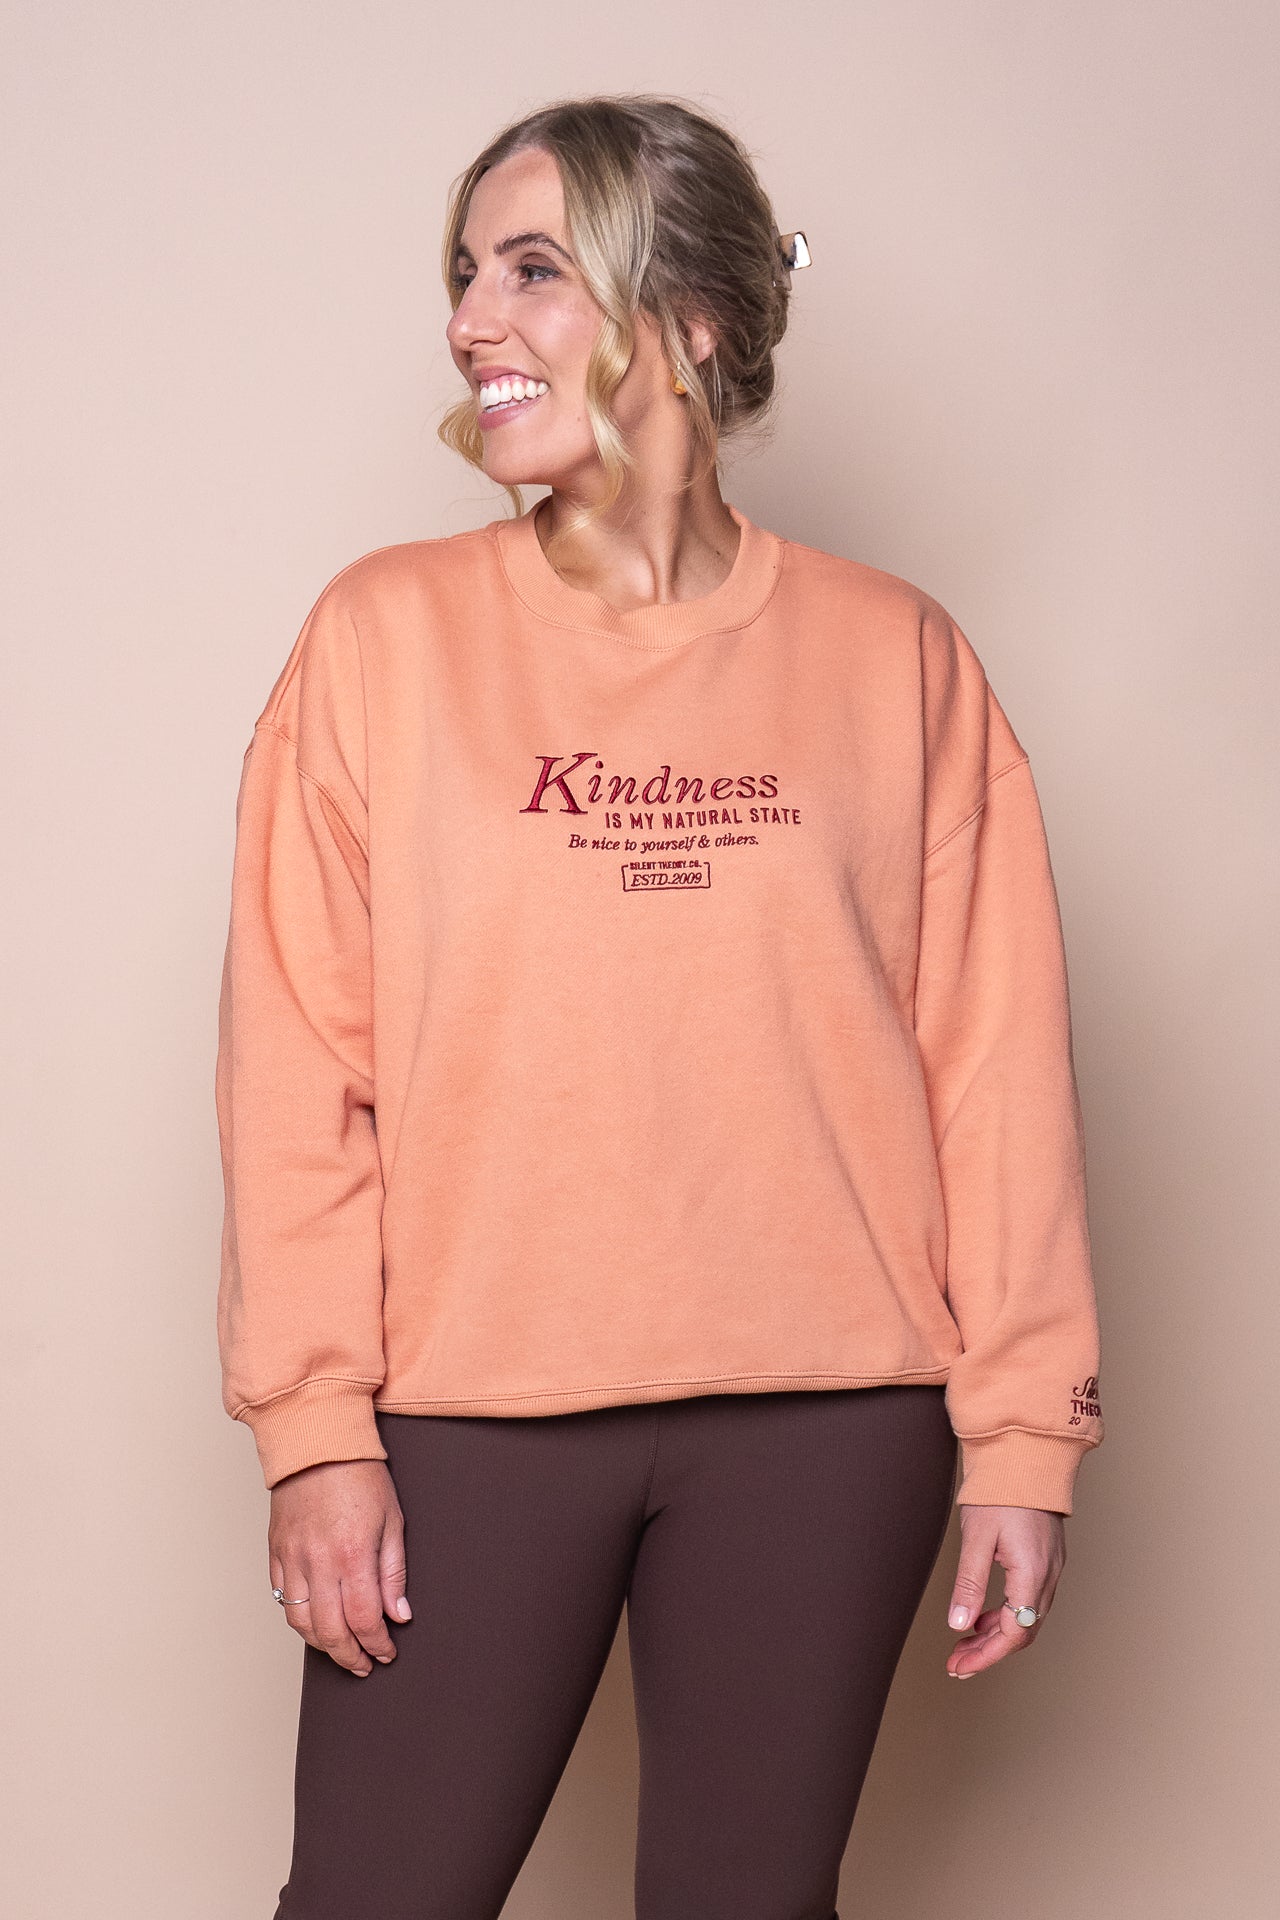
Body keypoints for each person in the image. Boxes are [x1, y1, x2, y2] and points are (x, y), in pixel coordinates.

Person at [215, 92, 1105, 1920]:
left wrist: (1026, 1435)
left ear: (688, 320)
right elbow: (297, 1065)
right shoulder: (382, 640)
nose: (470, 319)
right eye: (466, 272)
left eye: (533, 269)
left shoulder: (896, 657)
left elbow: (995, 1069)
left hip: (831, 1413)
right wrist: (315, 1429)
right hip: (470, 1407)